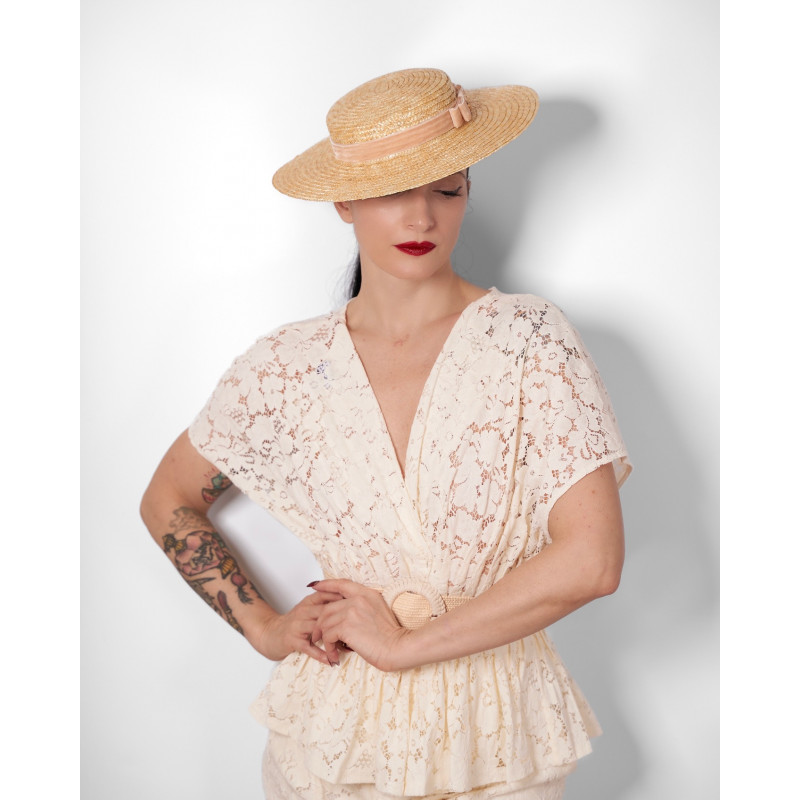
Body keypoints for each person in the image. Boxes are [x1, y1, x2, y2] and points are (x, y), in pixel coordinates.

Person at [141, 67, 632, 800]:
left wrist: (406, 647)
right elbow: (168, 500)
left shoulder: (529, 337)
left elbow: (592, 561)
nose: (422, 217)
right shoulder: (284, 366)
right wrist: (266, 629)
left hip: (498, 735)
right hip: (331, 740)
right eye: (392, 190)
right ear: (343, 200)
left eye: (446, 189)